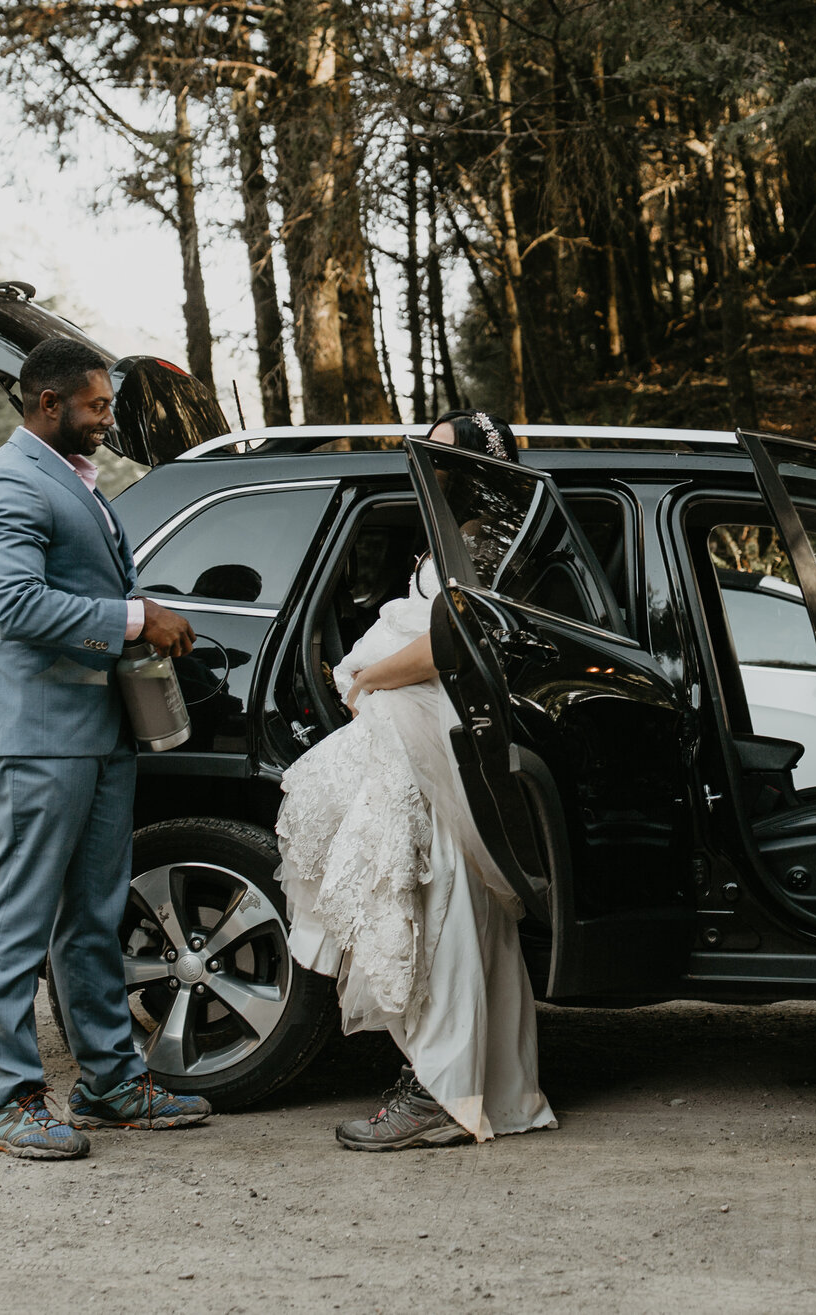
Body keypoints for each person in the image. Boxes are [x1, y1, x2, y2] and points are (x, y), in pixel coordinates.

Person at [0, 336, 211, 1159]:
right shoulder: (5, 482)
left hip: (98, 728)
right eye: (97, 405)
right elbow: (18, 604)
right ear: (48, 402)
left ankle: (107, 1082)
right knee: (19, 914)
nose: (107, 419)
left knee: (93, 914)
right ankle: (8, 1099)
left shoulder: (77, 484)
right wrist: (139, 618)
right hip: (33, 729)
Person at [274, 410, 558, 1150]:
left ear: (472, 470)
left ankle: (444, 1090)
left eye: (436, 456)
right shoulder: (471, 535)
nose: (423, 467)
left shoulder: (484, 542)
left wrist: (366, 676)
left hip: (437, 731)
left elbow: (449, 640)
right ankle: (475, 1088)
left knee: (444, 903)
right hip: (424, 732)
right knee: (444, 899)